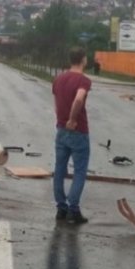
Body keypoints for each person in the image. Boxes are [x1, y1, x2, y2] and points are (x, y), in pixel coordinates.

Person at [52, 47, 92, 224]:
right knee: (80, 171)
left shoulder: (59, 79)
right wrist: (72, 119)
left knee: (60, 169)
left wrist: (62, 121)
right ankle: (73, 209)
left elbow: (56, 103)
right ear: (83, 60)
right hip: (78, 131)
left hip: (61, 130)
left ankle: (61, 208)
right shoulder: (83, 80)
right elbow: (79, 98)